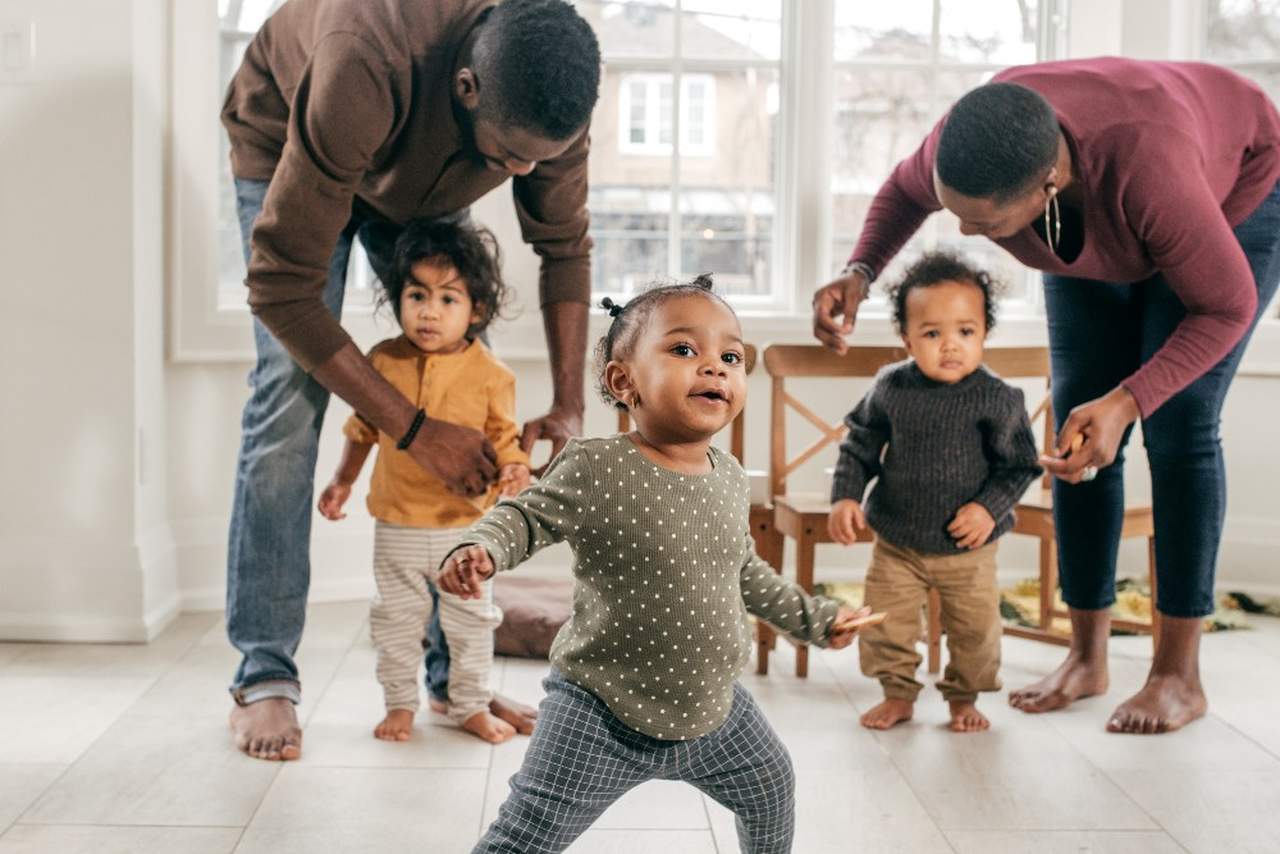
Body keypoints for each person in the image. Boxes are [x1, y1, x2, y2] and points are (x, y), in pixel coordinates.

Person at [812, 58, 1280, 734]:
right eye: (958, 215)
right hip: (1110, 205)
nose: (969, 235)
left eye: (986, 222)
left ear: (1048, 183)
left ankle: (1179, 676)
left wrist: (1129, 399)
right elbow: (905, 191)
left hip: (1234, 190)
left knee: (1179, 425)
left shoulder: (1150, 167)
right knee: (1075, 433)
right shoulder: (970, 136)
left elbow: (1225, 306)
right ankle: (1086, 656)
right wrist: (860, 271)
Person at [220, 0, 601, 760]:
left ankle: (454, 675)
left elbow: (564, 245)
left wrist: (566, 404)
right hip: (295, 139)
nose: (525, 174)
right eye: (511, 157)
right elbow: (281, 288)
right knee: (289, 399)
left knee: (461, 379)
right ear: (466, 88)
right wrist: (415, 430)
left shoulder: (548, 82)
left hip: (419, 166)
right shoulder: (366, 56)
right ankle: (264, 675)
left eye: (541, 157)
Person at [437, 279, 870, 853]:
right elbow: (524, 517)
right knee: (523, 838)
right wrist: (483, 547)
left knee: (771, 787)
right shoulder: (596, 465)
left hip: (713, 708)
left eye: (731, 357)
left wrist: (816, 620)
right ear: (624, 381)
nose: (714, 368)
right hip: (600, 714)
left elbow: (744, 573)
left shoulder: (731, 477)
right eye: (685, 350)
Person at [316, 219, 530, 744]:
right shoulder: (383, 362)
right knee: (395, 624)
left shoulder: (492, 375)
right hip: (397, 525)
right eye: (417, 295)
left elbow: (504, 438)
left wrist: (516, 468)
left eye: (448, 299)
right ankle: (400, 705)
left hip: (467, 530)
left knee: (472, 623)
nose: (429, 311)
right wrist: (343, 482)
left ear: (476, 310)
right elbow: (362, 429)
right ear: (399, 300)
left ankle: (470, 705)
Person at [828, 252, 1041, 733]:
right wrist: (845, 496)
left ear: (984, 332)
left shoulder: (997, 398)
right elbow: (860, 445)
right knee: (887, 623)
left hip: (968, 548)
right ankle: (898, 693)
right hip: (897, 539)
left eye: (965, 332)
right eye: (932, 333)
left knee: (975, 631)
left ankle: (964, 697)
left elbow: (1020, 466)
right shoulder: (891, 388)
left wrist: (988, 510)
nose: (950, 345)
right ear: (906, 339)